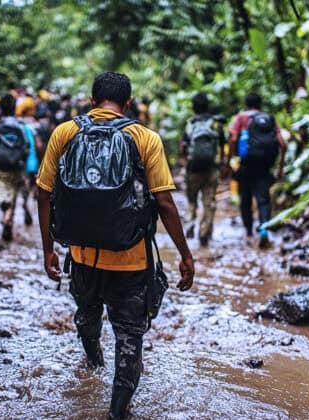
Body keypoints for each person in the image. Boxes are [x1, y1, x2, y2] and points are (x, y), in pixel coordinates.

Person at [36, 72, 195, 420]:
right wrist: (185, 255)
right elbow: (165, 203)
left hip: (81, 256)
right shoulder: (145, 138)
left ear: (92, 102)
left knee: (87, 317)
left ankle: (93, 362)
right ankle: (117, 411)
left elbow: (44, 192)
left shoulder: (65, 132)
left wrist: (48, 248)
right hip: (131, 261)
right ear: (127, 104)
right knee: (129, 337)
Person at [227, 92, 287, 249]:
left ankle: (248, 233)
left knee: (245, 199)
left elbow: (233, 139)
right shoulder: (269, 119)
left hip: (246, 165)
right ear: (260, 105)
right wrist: (280, 167)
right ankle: (264, 231)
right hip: (264, 165)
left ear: (246, 104)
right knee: (263, 199)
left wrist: (231, 160)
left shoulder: (241, 118)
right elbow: (283, 144)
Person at [181, 93, 226, 247]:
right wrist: (223, 163)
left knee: (191, 201)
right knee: (209, 203)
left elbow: (183, 146)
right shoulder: (215, 124)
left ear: (194, 107)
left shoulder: (190, 123)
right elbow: (222, 144)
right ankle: (204, 234)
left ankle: (189, 225)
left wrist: (184, 163)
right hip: (211, 169)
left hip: (193, 169)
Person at [0, 94, 30, 241]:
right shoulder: (20, 124)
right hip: (16, 164)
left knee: (2, 189)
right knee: (14, 192)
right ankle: (9, 216)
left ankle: (6, 216)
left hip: (1, 164)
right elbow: (27, 146)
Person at [16, 96, 44, 226]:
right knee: (33, 184)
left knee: (22, 185)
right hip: (32, 161)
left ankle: (24, 200)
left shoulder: (18, 123)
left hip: (19, 160)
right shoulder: (35, 125)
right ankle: (29, 204)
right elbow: (39, 145)